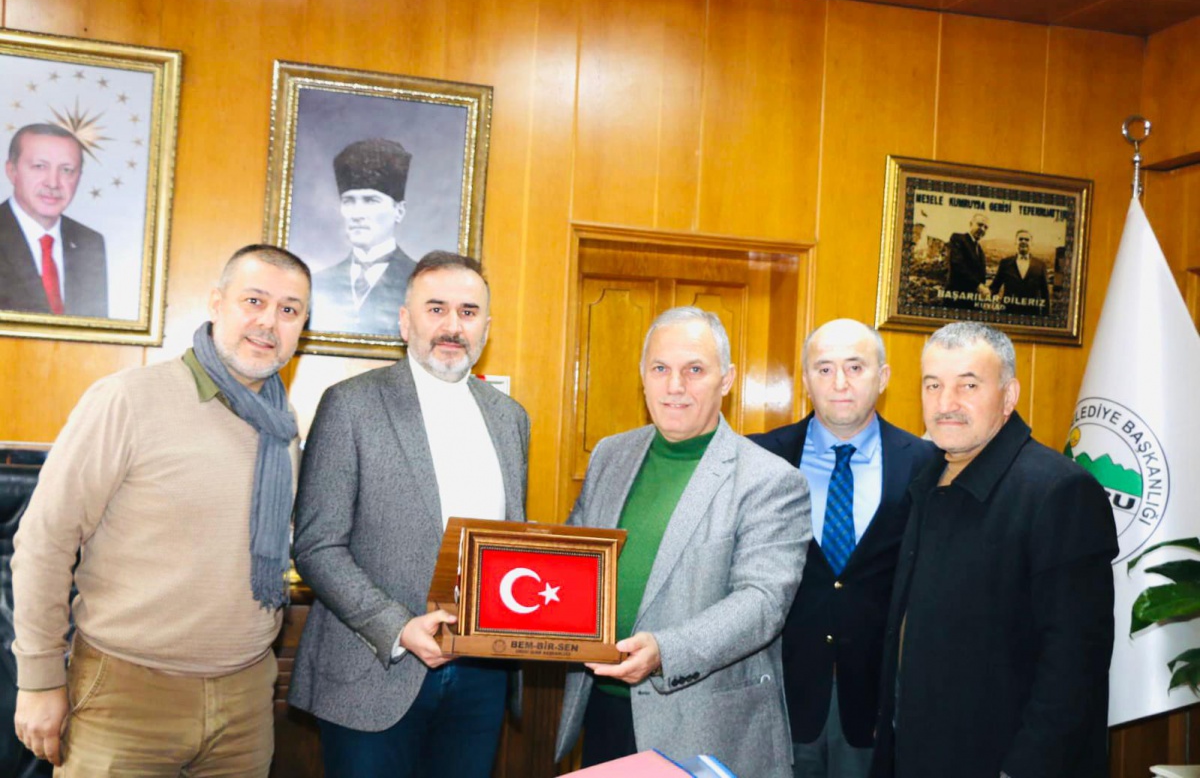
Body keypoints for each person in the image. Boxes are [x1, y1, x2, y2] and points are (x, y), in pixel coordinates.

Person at [12, 244, 311, 775]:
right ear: (216, 303)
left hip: (245, 704)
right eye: (254, 300)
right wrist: (38, 681)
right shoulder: (128, 399)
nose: (269, 321)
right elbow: (44, 541)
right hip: (125, 697)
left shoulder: (281, 427)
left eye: (289, 310)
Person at [289, 251, 530, 778]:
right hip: (373, 670)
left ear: (487, 328)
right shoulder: (350, 405)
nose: (453, 326)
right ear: (405, 321)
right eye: (435, 308)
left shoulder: (511, 418)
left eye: (468, 312)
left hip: (482, 676)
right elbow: (316, 545)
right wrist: (398, 629)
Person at [555, 307, 812, 778]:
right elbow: (573, 559)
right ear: (643, 377)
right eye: (660, 368)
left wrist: (666, 651)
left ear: (726, 379)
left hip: (703, 726)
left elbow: (762, 603)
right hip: (602, 709)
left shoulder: (771, 480)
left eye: (694, 369)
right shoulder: (611, 454)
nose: (675, 386)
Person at [871, 322, 1117, 778]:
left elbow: (1073, 666)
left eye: (968, 385)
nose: (946, 403)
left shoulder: (1059, 492)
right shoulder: (928, 480)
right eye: (933, 385)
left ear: (1009, 396)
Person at [750, 319, 937, 778]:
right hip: (779, 695)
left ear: (883, 377)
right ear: (806, 379)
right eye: (825, 368)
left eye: (855, 367)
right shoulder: (760, 458)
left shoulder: (927, 463)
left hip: (880, 700)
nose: (840, 383)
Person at [309, 138, 422, 337]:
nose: (357, 213)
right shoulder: (318, 282)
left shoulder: (422, 283)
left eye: (370, 200)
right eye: (349, 201)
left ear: (399, 211)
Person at [0, 124, 107, 317]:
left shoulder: (89, 243)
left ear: (79, 177)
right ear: (12, 171)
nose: (53, 183)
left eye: (66, 170)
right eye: (39, 167)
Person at [989, 230, 1050, 315]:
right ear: (1015, 242)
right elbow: (995, 287)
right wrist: (991, 301)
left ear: (1032, 243)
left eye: (1027, 239)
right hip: (1008, 312)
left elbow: (1045, 293)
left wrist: (1045, 316)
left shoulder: (1040, 265)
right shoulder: (1005, 263)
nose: (1023, 241)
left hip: (1032, 313)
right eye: (1020, 239)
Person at [943, 212, 990, 309]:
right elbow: (957, 265)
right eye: (980, 225)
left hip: (972, 301)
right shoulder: (958, 238)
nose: (982, 229)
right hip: (956, 298)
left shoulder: (980, 250)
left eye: (986, 227)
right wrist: (978, 286)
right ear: (971, 224)